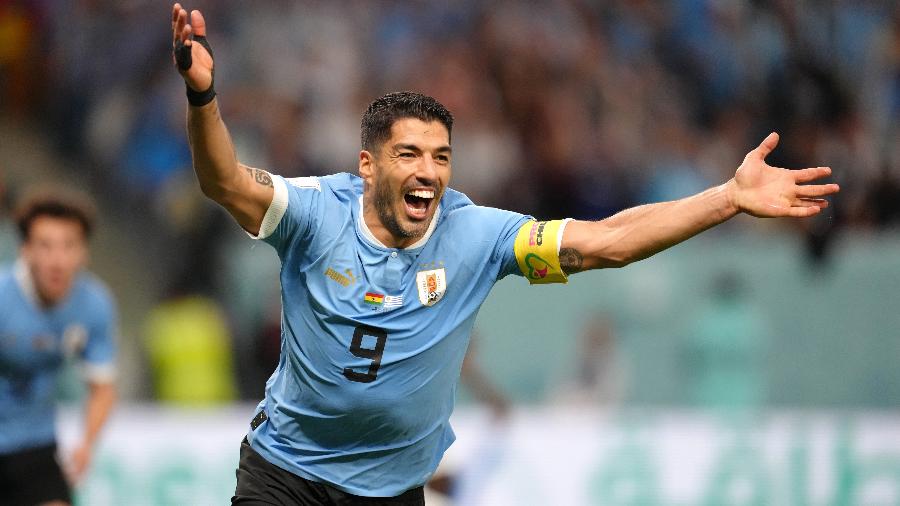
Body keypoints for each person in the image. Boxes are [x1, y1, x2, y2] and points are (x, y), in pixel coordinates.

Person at [170, 5, 840, 504]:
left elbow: (601, 244)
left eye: (441, 156)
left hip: (391, 491)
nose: (429, 171)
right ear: (368, 166)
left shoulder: (477, 235)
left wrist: (726, 197)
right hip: (286, 474)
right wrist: (203, 95)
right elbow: (224, 180)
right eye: (409, 155)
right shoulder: (316, 212)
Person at [0, 189, 118, 506]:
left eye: (69, 246)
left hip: (33, 445)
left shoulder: (94, 305)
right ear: (25, 250)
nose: (57, 260)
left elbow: (103, 388)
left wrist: (86, 444)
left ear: (84, 253)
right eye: (46, 246)